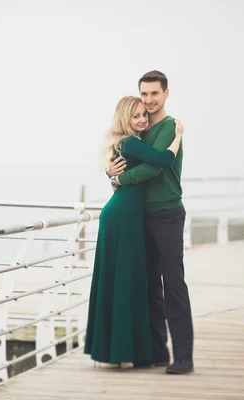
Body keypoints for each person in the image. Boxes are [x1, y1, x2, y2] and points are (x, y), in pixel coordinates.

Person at [84, 95, 183, 368]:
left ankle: (121, 352)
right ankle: (117, 353)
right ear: (125, 119)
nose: (142, 119)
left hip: (127, 214)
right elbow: (162, 159)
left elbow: (129, 171)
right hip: (122, 215)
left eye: (144, 115)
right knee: (123, 280)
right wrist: (177, 136)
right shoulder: (129, 142)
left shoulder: (130, 143)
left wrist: (111, 174)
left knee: (124, 279)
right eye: (136, 115)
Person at [107, 70, 194, 374]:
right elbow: (127, 157)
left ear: (166, 94)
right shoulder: (141, 130)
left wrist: (119, 178)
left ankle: (184, 356)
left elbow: (153, 169)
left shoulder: (169, 126)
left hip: (167, 212)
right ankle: (157, 351)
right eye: (144, 94)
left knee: (173, 284)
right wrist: (111, 173)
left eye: (154, 94)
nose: (149, 100)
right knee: (149, 287)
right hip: (141, 214)